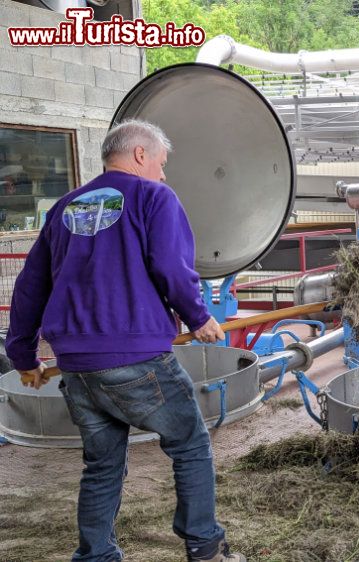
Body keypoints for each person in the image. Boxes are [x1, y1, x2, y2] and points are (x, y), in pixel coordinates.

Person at [5, 120, 244, 562]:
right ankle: (205, 545)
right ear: (139, 155)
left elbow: (30, 286)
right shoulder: (154, 197)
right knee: (190, 444)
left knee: (101, 466)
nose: (164, 173)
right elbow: (172, 267)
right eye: (161, 163)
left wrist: (22, 355)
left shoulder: (64, 208)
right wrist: (198, 315)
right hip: (136, 357)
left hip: (76, 365)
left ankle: (95, 555)